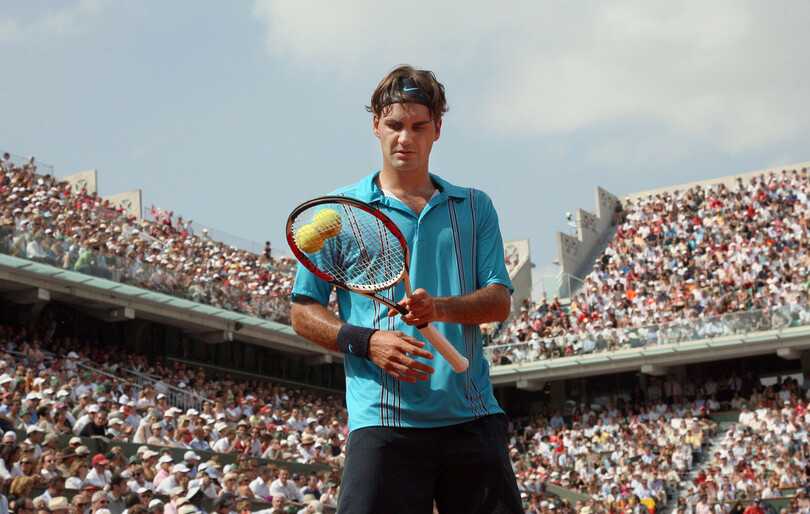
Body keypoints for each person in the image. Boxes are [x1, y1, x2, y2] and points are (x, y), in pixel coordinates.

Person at [290, 64, 521, 513]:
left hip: (473, 418)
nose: (405, 138)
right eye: (395, 125)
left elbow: (499, 301)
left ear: (438, 128)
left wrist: (440, 308)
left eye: (418, 126)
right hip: (382, 423)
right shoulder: (337, 213)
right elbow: (302, 312)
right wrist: (368, 342)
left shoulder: (475, 206)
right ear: (376, 125)